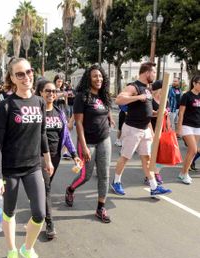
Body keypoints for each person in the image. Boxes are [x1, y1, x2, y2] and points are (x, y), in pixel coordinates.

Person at [0, 58, 54, 258]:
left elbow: (43, 132)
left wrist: (47, 159)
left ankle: (27, 249)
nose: (26, 77)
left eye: (28, 71)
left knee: (39, 213)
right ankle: (11, 252)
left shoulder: (38, 102)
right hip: (10, 170)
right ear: (12, 78)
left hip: (33, 167)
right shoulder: (6, 106)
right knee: (8, 211)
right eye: (20, 74)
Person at [111, 62, 172, 197]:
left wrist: (157, 113)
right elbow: (119, 100)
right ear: (147, 72)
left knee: (147, 159)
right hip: (133, 128)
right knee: (125, 157)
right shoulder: (134, 86)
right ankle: (116, 182)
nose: (155, 75)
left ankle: (154, 186)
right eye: (154, 72)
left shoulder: (147, 89)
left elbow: (146, 110)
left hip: (144, 129)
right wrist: (138, 97)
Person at [64, 64, 114, 223]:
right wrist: (84, 146)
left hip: (104, 139)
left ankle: (100, 208)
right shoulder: (82, 96)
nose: (98, 79)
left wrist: (110, 117)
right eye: (95, 76)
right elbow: (78, 123)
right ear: (88, 78)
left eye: (100, 76)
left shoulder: (104, 95)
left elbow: (106, 109)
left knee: (104, 174)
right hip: (88, 141)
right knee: (86, 175)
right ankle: (70, 189)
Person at [35, 80, 81, 239]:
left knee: (44, 186)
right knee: (46, 187)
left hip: (55, 156)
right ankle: (49, 222)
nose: (51, 94)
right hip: (39, 155)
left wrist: (75, 155)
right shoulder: (36, 112)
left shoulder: (59, 112)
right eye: (47, 91)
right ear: (40, 92)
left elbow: (66, 136)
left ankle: (38, 203)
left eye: (54, 91)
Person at [177, 75, 200, 184]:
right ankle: (185, 174)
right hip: (187, 126)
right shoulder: (186, 96)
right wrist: (179, 127)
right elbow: (181, 112)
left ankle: (183, 173)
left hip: (197, 127)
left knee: (191, 152)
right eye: (199, 83)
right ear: (194, 83)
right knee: (194, 149)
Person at [144, 80, 164, 185]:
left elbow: (166, 116)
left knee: (161, 153)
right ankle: (149, 176)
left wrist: (168, 128)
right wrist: (151, 131)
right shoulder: (150, 100)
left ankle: (156, 173)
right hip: (151, 128)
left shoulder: (166, 99)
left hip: (162, 129)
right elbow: (148, 116)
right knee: (151, 154)